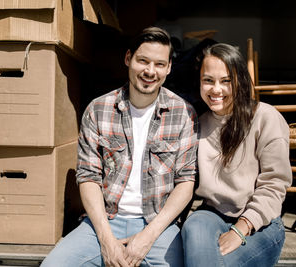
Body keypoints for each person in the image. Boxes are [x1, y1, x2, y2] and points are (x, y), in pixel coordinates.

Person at [41, 27, 198, 267]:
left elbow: (186, 182)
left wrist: (148, 236)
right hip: (103, 221)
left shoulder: (183, 113)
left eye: (159, 64)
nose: (149, 71)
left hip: (157, 224)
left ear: (168, 68)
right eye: (142, 61)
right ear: (128, 59)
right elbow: (88, 177)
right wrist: (106, 240)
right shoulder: (98, 109)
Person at [181, 43, 292, 267]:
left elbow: (275, 183)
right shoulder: (197, 123)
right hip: (211, 214)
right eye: (208, 80)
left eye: (226, 81)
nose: (216, 89)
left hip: (260, 222)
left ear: (240, 80)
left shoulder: (265, 117)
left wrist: (241, 227)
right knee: (193, 228)